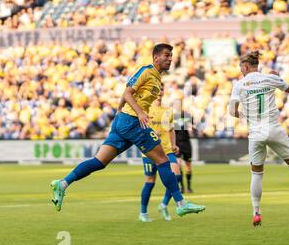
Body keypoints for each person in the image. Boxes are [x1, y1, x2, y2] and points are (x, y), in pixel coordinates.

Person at [50, 44, 206, 218]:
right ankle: (181, 203)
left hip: (124, 121)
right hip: (133, 122)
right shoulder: (147, 71)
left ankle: (63, 183)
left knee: (99, 162)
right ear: (155, 58)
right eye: (167, 55)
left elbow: (127, 94)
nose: (170, 59)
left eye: (171, 56)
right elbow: (127, 91)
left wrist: (118, 112)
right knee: (163, 160)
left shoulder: (156, 78)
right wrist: (139, 113)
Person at [228, 51, 289, 227]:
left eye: (241, 67)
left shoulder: (239, 85)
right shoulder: (270, 78)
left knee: (256, 173)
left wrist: (244, 115)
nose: (240, 70)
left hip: (255, 131)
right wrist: (277, 78)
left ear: (246, 67)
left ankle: (256, 212)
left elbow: (232, 111)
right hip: (273, 128)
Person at [139, 86, 182, 222]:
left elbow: (171, 130)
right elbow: (139, 128)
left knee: (177, 176)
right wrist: (150, 133)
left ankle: (163, 204)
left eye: (161, 90)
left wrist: (174, 144)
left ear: (163, 92)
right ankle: (143, 212)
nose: (159, 93)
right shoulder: (146, 109)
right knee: (150, 181)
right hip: (150, 150)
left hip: (167, 150)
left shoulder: (168, 110)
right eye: (156, 90)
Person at [174, 107, 193, 193]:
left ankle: (189, 187)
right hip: (177, 144)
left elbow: (191, 129)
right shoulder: (173, 117)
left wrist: (190, 128)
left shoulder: (188, 116)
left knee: (188, 166)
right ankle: (182, 187)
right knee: (178, 164)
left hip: (186, 143)